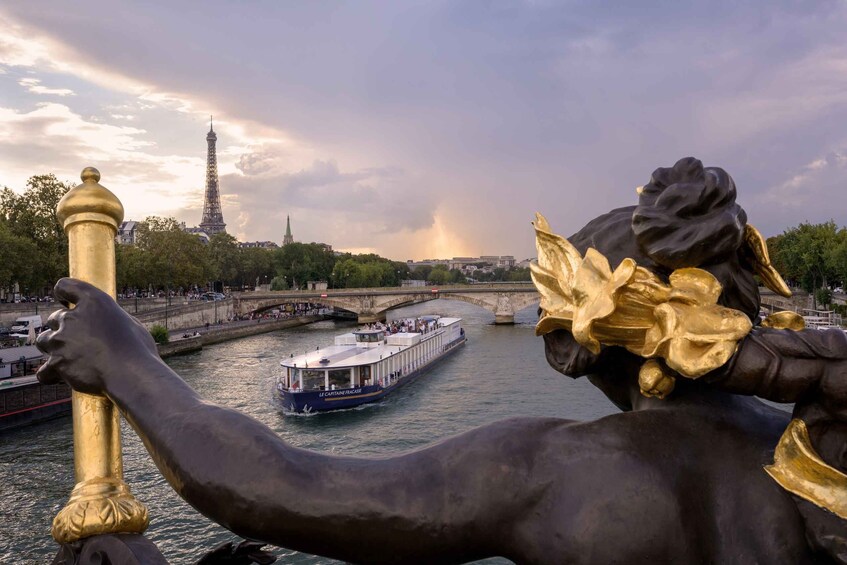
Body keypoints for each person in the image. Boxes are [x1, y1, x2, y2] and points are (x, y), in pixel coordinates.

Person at [37, 158, 846, 563]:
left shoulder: (562, 468)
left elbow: (279, 489)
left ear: (593, 338)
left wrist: (130, 361)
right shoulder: (812, 447)